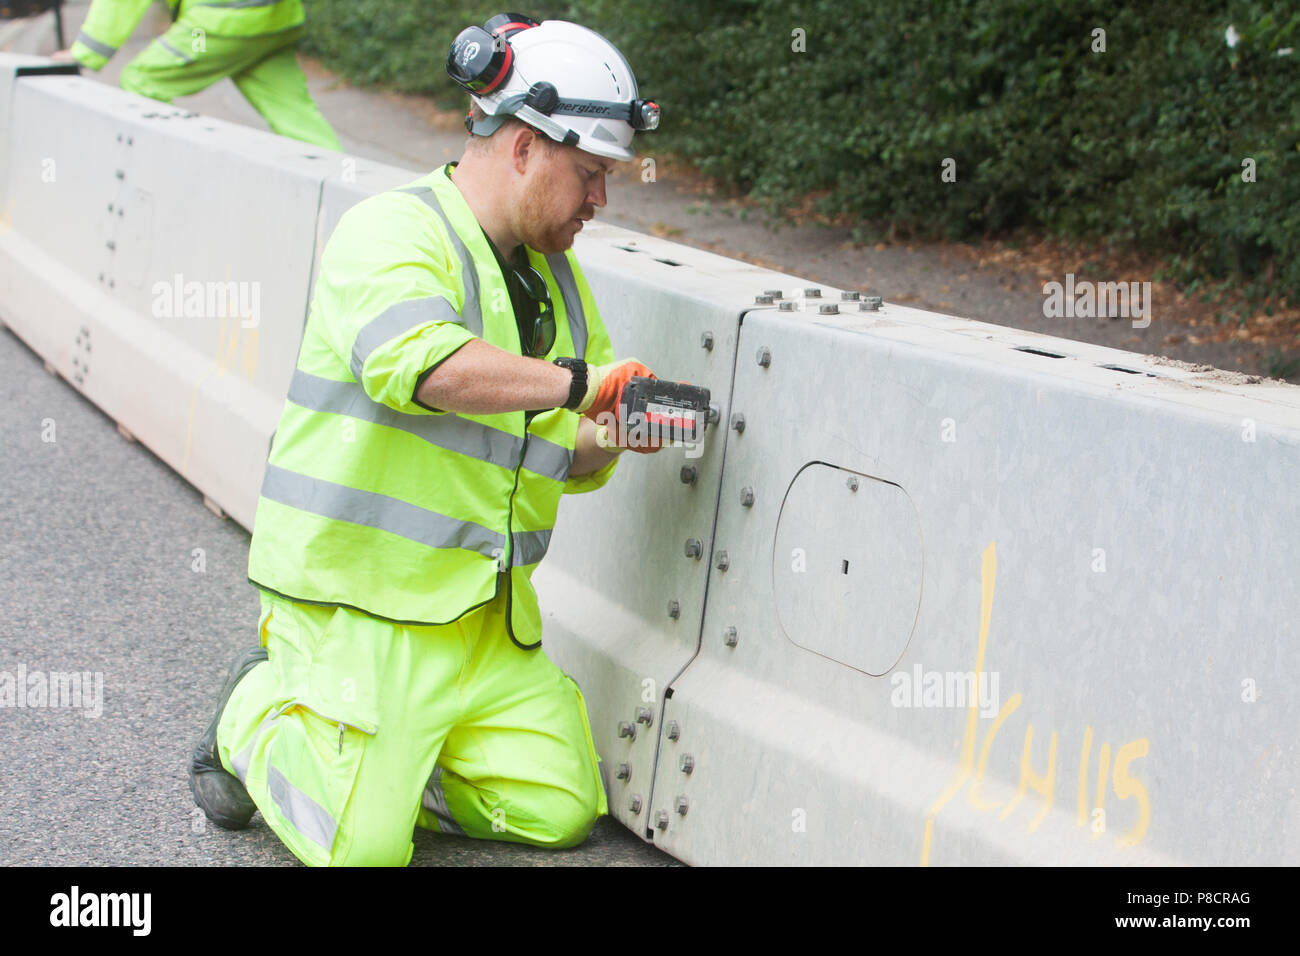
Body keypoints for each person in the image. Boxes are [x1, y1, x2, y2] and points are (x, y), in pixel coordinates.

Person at [187, 13, 664, 866]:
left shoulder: (555, 276)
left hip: (483, 622)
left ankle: (386, 766)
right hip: (361, 607)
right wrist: (581, 385)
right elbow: (421, 366)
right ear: (523, 147)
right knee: (364, 852)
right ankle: (253, 718)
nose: (602, 201)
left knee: (560, 809)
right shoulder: (391, 232)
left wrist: (616, 431)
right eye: (590, 174)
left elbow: (567, 442)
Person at [54, 0, 340, 151]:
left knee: (141, 80)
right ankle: (351, 191)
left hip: (223, 19)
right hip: (276, 19)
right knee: (296, 116)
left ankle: (166, 168)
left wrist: (86, 52)